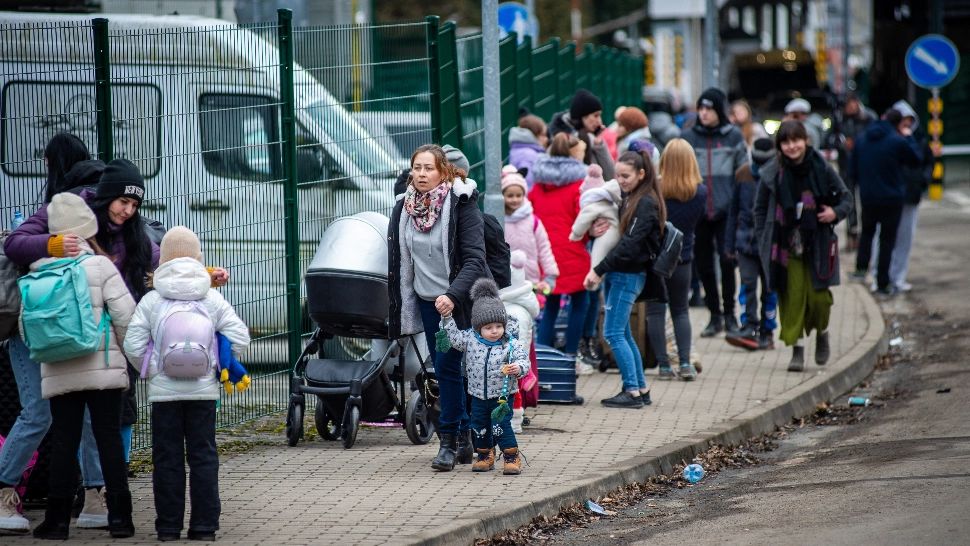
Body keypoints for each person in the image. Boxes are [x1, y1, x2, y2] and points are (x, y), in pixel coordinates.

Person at [0, 138, 111, 534]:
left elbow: (150, 259)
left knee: (88, 408)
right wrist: (52, 242)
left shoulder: (117, 228)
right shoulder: (53, 214)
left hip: (77, 330)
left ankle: (96, 493)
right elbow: (15, 244)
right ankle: (3, 489)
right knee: (39, 412)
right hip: (33, 328)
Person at [123, 226, 250, 542]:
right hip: (203, 391)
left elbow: (133, 343)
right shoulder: (210, 297)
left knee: (166, 458)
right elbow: (240, 337)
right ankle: (204, 527)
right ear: (198, 258)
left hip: (164, 395)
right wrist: (214, 364)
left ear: (162, 259)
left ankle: (168, 527)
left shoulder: (153, 299)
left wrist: (154, 368)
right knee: (203, 456)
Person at [24, 192, 136, 540]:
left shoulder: (38, 270)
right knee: (108, 440)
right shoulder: (101, 266)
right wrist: (135, 361)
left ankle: (56, 521)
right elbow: (126, 318)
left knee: (64, 441)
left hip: (59, 367)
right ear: (88, 230)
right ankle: (119, 518)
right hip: (103, 365)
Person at [388, 144, 488, 472]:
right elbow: (400, 259)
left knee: (470, 369)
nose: (421, 174)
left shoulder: (462, 204)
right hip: (430, 304)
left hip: (463, 302)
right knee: (445, 369)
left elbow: (475, 259)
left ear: (443, 171)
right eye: (416, 167)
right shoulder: (404, 207)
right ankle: (451, 440)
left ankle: (472, 435)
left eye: (428, 168)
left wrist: (453, 295)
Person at [754, 121, 853, 371]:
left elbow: (846, 198)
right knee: (792, 298)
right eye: (786, 142)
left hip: (817, 242)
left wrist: (835, 213)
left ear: (805, 140)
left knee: (820, 298)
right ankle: (796, 349)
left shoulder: (821, 167)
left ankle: (822, 332)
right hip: (784, 247)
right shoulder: (771, 172)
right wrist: (763, 239)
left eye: (796, 140)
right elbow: (759, 210)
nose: (792, 146)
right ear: (780, 146)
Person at [583, 149, 666, 407]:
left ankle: (631, 391)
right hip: (625, 273)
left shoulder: (645, 203)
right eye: (617, 175)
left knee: (613, 333)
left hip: (626, 274)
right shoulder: (634, 197)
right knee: (624, 333)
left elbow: (630, 245)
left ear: (642, 174)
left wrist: (599, 269)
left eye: (626, 175)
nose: (620, 180)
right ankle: (640, 387)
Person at [440, 278, 530, 474]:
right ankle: (484, 455)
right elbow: (454, 338)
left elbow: (524, 360)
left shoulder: (510, 344)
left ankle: (511, 457)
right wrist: (447, 319)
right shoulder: (470, 339)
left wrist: (518, 367)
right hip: (478, 394)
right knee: (479, 425)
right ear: (478, 327)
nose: (494, 331)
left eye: (498, 326)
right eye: (488, 328)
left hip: (502, 397)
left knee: (500, 425)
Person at [681, 87, 748, 337]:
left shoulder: (734, 137)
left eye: (709, 108)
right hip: (697, 212)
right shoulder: (688, 137)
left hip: (726, 212)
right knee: (704, 266)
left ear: (719, 110)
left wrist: (742, 208)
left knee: (728, 262)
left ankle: (730, 315)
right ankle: (714, 316)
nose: (704, 113)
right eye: (701, 108)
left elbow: (743, 176)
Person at [529, 133, 593, 373]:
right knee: (580, 303)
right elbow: (583, 219)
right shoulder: (579, 184)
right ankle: (570, 356)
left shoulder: (537, 185)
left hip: (546, 254)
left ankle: (544, 356)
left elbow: (531, 215)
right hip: (573, 251)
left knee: (551, 305)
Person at [646, 139, 707, 380]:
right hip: (684, 257)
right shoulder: (699, 192)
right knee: (681, 311)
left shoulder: (655, 190)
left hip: (657, 259)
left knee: (656, 311)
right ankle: (684, 363)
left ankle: (663, 366)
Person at [850, 108, 923, 295]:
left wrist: (862, 185)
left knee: (867, 233)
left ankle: (860, 268)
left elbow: (852, 170)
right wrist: (909, 137)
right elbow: (916, 159)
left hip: (868, 197)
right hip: (892, 198)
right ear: (899, 124)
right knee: (887, 240)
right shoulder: (897, 141)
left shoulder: (862, 138)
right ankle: (882, 282)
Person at [725, 138, 778, 351]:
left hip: (770, 244)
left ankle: (767, 331)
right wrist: (729, 244)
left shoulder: (778, 175)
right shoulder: (743, 174)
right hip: (745, 243)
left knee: (769, 289)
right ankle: (749, 326)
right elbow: (733, 211)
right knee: (747, 285)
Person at [888, 100, 934, 293]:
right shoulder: (890, 140)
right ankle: (883, 276)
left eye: (909, 120)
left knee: (905, 238)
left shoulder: (918, 140)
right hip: (891, 196)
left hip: (911, 195)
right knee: (887, 238)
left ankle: (898, 277)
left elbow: (926, 161)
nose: (906, 125)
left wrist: (923, 182)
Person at [500, 251, 541, 433]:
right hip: (518, 360)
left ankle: (513, 423)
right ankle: (514, 421)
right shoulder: (524, 306)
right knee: (513, 391)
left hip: (508, 360)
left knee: (508, 391)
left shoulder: (509, 312)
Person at [501, 165, 558, 293]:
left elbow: (544, 248)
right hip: (507, 281)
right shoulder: (498, 221)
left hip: (531, 280)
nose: (515, 199)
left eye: (518, 195)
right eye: (510, 196)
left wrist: (550, 275)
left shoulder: (533, 221)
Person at [836, 93, 877, 249]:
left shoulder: (869, 117)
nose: (850, 107)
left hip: (865, 165)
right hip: (846, 166)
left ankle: (866, 234)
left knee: (866, 200)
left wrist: (859, 143)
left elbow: (875, 138)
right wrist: (842, 144)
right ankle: (852, 234)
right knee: (849, 200)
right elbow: (831, 138)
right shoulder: (840, 119)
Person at [547, 88, 615, 180]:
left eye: (600, 115)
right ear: (582, 116)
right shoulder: (562, 141)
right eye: (595, 115)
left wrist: (599, 144)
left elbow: (610, 176)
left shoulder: (590, 138)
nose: (600, 121)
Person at [569, 164, 621, 274]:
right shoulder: (608, 200)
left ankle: (594, 277)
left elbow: (583, 220)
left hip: (609, 232)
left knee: (598, 254)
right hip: (615, 229)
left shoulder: (593, 205)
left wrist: (576, 234)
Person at [508, 114, 548, 188]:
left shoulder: (519, 150)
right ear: (535, 135)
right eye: (543, 135)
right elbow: (529, 184)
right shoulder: (528, 155)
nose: (546, 139)